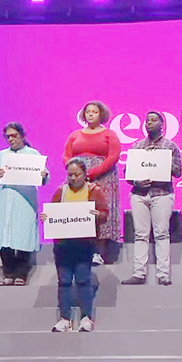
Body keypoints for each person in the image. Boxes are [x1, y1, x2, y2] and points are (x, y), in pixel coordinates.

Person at [40, 158, 108, 333]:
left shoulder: (94, 191)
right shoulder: (60, 192)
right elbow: (52, 213)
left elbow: (105, 214)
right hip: (63, 245)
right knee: (64, 281)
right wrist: (46, 218)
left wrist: (97, 214)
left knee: (83, 280)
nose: (73, 178)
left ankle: (86, 318)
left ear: (85, 175)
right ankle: (65, 319)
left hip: (85, 244)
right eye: (70, 175)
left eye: (77, 174)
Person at [121, 111, 182, 286]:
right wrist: (136, 181)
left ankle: (163, 274)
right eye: (147, 120)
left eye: (153, 120)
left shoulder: (170, 146)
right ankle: (139, 273)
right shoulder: (136, 146)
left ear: (162, 124)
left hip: (161, 193)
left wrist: (160, 160)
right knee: (140, 234)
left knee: (161, 233)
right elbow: (127, 174)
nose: (149, 123)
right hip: (139, 194)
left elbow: (178, 171)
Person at [0, 122, 49, 286]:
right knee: (5, 237)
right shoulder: (2, 155)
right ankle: (8, 273)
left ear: (22, 136)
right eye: (8, 136)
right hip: (5, 199)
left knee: (23, 235)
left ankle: (21, 274)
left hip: (25, 201)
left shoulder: (33, 154)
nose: (11, 139)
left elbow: (44, 178)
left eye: (14, 135)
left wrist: (43, 175)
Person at [63, 101, 121, 266]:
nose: (90, 114)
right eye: (88, 111)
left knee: (99, 212)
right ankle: (78, 252)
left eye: (94, 112)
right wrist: (75, 173)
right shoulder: (75, 134)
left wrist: (92, 172)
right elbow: (66, 155)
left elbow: (113, 156)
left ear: (101, 114)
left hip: (104, 178)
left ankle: (98, 253)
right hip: (77, 180)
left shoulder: (110, 134)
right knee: (78, 211)